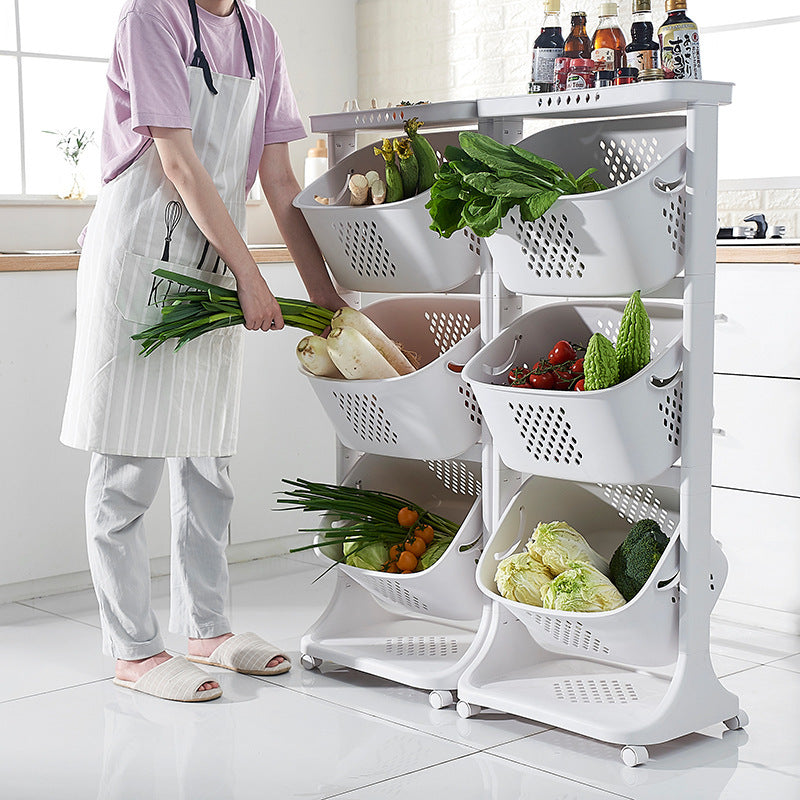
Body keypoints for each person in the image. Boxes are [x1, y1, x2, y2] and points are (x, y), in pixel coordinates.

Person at [60, 0, 344, 702]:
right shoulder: (149, 19)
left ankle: (208, 629)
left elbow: (280, 181)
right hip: (141, 260)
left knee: (208, 462)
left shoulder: (259, 35)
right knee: (127, 466)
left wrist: (327, 300)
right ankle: (134, 650)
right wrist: (252, 276)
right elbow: (179, 163)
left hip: (212, 262)